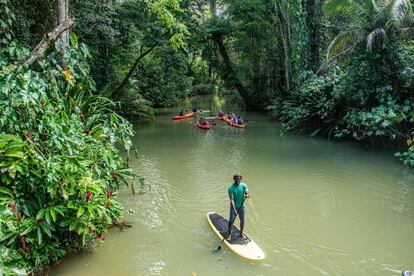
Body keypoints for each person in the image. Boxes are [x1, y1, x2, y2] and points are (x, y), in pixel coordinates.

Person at [224, 173, 249, 241]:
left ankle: (241, 234)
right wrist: (234, 210)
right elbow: (232, 199)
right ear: (234, 179)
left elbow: (247, 192)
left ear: (241, 179)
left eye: (239, 179)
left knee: (242, 221)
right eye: (236, 179)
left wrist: (247, 195)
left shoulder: (243, 185)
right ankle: (229, 234)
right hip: (233, 207)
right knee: (231, 221)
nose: (238, 180)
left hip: (241, 207)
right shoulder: (231, 188)